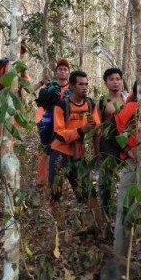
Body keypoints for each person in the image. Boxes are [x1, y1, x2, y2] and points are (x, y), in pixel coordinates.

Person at [112, 78, 141, 258]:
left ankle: (120, 252)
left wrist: (126, 149)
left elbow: (116, 135)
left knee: (124, 206)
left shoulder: (124, 109)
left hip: (132, 163)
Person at [47, 71, 101, 221]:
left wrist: (97, 152)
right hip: (59, 153)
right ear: (71, 86)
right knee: (54, 193)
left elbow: (97, 129)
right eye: (81, 84)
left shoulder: (90, 104)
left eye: (86, 84)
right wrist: (81, 130)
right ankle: (60, 228)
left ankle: (99, 225)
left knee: (88, 192)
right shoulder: (61, 106)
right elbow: (59, 133)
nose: (85, 87)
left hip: (78, 154)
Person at [96, 67, 128, 219]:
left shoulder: (128, 99)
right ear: (106, 83)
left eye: (118, 79)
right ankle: (106, 213)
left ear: (122, 81)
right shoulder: (102, 102)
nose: (115, 82)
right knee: (106, 180)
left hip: (127, 145)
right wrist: (97, 151)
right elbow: (97, 128)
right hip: (108, 144)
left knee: (127, 179)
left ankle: (125, 211)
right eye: (111, 79)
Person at [36, 58, 72, 191]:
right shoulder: (49, 86)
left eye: (65, 70)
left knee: (64, 153)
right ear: (56, 72)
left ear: (68, 73)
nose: (63, 72)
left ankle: (61, 183)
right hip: (48, 123)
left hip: (66, 125)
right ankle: (41, 183)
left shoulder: (73, 88)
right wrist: (50, 94)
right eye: (60, 69)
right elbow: (40, 100)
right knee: (45, 151)